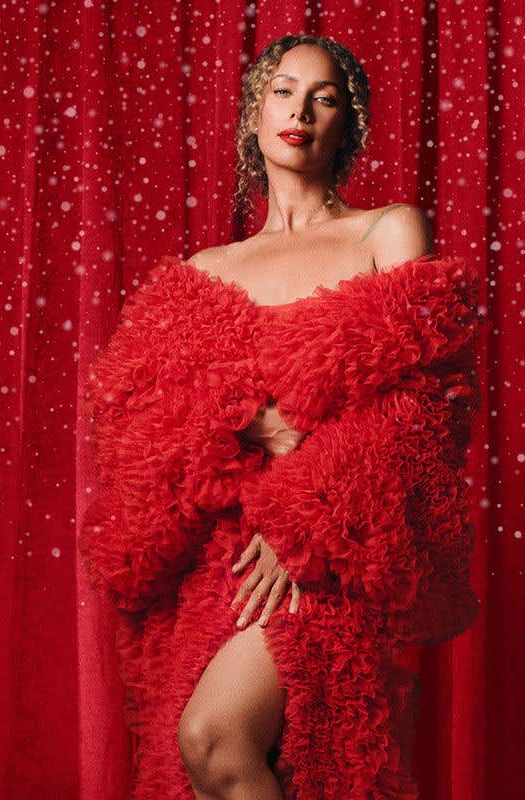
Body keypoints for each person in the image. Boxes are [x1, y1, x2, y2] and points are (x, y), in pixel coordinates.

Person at [79, 33, 484, 800]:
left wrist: (306, 521)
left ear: (347, 124)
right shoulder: (204, 274)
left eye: (324, 98)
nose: (301, 111)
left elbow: (425, 404)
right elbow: (138, 418)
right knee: (216, 772)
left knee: (215, 737)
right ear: (255, 114)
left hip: (329, 545)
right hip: (228, 560)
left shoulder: (386, 230)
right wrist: (246, 422)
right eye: (284, 92)